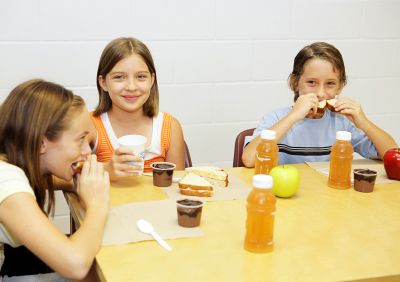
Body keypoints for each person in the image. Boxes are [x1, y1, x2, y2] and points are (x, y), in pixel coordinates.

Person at [0, 79, 110, 281]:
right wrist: (97, 204)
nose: (87, 151)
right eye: (80, 140)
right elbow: (75, 265)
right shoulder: (6, 180)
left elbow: (46, 181)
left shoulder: (15, 167)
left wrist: (80, 181)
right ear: (42, 143)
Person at [242, 42, 397, 167]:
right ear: (295, 83)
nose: (321, 93)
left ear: (341, 86)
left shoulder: (342, 122)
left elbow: (392, 156)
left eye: (330, 83)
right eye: (311, 82)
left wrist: (365, 124)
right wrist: (292, 117)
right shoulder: (276, 117)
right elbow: (248, 159)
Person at [90, 37, 185, 179]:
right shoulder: (89, 125)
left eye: (141, 77)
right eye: (119, 77)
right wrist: (105, 170)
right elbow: (54, 177)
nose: (131, 87)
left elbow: (177, 183)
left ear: (152, 80)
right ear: (103, 82)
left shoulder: (170, 127)